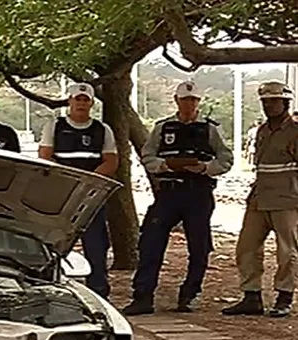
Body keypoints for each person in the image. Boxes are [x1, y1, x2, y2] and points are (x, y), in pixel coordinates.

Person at [122, 81, 233, 315]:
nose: (189, 104)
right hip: (169, 192)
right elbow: (148, 156)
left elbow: (225, 159)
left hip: (198, 192)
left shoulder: (210, 129)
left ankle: (190, 295)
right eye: (185, 99)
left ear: (198, 102)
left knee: (199, 246)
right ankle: (142, 295)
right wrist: (165, 165)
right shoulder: (163, 128)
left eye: (193, 100)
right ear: (176, 101)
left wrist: (204, 167)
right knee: (151, 241)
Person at [222, 81, 298, 318]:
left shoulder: (295, 131)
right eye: (265, 101)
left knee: (287, 251)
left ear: (285, 103)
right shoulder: (263, 131)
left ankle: (284, 297)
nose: (269, 105)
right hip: (259, 197)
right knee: (246, 247)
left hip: (287, 198)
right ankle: (251, 295)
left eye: (274, 101)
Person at [38, 82, 118, 299]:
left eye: (85, 100)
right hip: (62, 194)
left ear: (91, 103)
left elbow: (110, 162)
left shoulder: (102, 130)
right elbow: (45, 157)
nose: (81, 103)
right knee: (54, 243)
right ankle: (51, 289)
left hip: (91, 196)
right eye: (77, 99)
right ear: (70, 101)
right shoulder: (54, 126)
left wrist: (88, 182)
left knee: (96, 244)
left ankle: (99, 291)